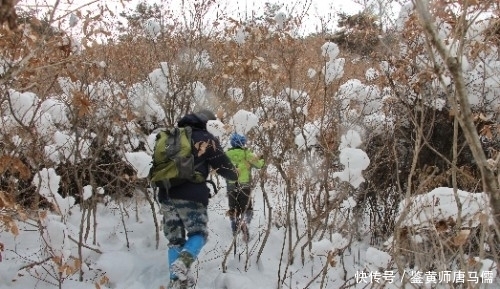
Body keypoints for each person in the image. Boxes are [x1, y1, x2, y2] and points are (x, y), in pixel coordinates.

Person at [158, 110, 238, 289]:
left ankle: (176, 282)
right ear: (207, 123)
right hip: (191, 195)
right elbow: (225, 167)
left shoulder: (170, 136)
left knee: (175, 240)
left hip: (165, 195)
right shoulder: (205, 138)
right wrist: (235, 174)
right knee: (198, 234)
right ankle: (183, 263)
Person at [225, 133, 265, 242]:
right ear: (243, 143)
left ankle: (234, 229)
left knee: (233, 207)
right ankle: (245, 226)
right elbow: (260, 165)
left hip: (231, 184)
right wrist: (262, 158)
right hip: (245, 185)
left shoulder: (226, 154)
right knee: (246, 208)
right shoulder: (248, 154)